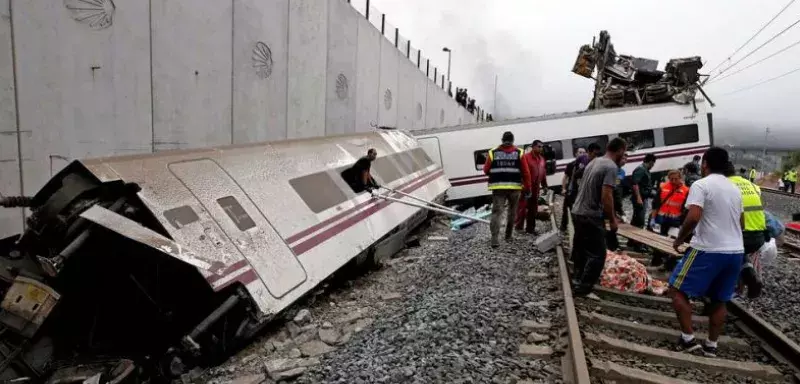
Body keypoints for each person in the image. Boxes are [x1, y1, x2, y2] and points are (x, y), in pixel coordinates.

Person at [669, 147, 744, 357]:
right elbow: (742, 223)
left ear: (704, 164)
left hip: (708, 249)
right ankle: (711, 345)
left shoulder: (701, 185)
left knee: (676, 289)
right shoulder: (734, 188)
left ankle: (688, 339)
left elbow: (693, 217)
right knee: (720, 299)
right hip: (735, 251)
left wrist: (679, 239)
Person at [571, 137, 628, 296]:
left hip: (577, 211)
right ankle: (583, 288)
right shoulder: (611, 167)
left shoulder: (594, 161)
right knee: (598, 254)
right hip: (591, 215)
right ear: (620, 150)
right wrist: (612, 220)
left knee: (582, 249)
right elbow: (606, 196)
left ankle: (577, 278)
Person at [725, 162, 766, 298]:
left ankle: (724, 287)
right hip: (759, 234)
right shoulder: (750, 184)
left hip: (742, 232)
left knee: (719, 249)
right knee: (741, 252)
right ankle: (750, 276)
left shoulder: (723, 185)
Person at [483, 131, 531, 248]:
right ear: (513, 140)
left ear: (502, 139)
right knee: (512, 212)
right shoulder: (519, 152)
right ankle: (508, 235)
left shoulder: (492, 152)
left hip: (498, 188)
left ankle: (494, 239)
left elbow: (485, 170)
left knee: (497, 213)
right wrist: (528, 188)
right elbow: (526, 173)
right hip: (514, 188)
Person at [650, 170, 690, 266]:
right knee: (659, 241)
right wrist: (653, 218)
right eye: (671, 179)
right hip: (661, 218)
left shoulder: (686, 191)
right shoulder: (663, 187)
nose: (673, 181)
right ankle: (656, 261)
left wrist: (683, 224)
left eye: (676, 179)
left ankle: (668, 263)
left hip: (675, 221)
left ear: (680, 178)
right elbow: (656, 204)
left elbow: (687, 209)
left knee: (672, 242)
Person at [560, 144, 602, 231]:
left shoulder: (589, 164)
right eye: (580, 152)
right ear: (576, 154)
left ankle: (578, 228)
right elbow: (565, 177)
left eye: (583, 152)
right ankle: (563, 226)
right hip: (571, 189)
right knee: (566, 208)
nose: (582, 154)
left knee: (577, 211)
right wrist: (563, 188)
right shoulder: (571, 165)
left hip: (580, 191)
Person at [516, 140, 549, 234]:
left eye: (541, 147)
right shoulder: (526, 158)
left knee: (533, 208)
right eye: (539, 146)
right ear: (533, 147)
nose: (540, 148)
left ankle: (530, 228)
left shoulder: (542, 159)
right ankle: (519, 227)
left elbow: (543, 173)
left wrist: (545, 185)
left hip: (536, 188)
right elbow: (520, 172)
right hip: (526, 187)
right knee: (522, 207)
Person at [628, 154, 657, 251]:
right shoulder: (641, 169)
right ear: (651, 162)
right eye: (653, 163)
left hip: (643, 197)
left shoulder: (645, 170)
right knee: (640, 221)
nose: (653, 166)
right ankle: (637, 245)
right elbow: (635, 184)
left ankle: (631, 241)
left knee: (635, 220)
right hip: (639, 198)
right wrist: (638, 198)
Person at [607, 153, 629, 251]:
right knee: (609, 224)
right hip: (608, 200)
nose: (624, 160)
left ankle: (613, 244)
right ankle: (611, 246)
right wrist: (620, 210)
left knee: (613, 224)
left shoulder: (622, 172)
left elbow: (618, 190)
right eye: (622, 158)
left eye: (626, 158)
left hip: (615, 201)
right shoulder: (611, 170)